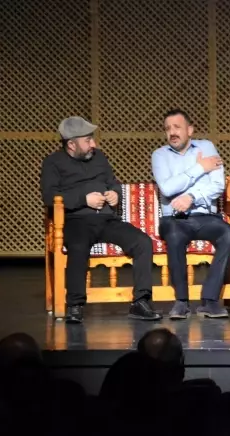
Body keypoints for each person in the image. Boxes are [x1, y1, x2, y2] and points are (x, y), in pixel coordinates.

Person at [41, 116, 162, 323]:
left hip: (106, 220)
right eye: (88, 140)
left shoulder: (99, 158)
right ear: (71, 144)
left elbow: (112, 183)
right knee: (78, 246)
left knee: (142, 242)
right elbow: (49, 196)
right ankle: (75, 305)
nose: (93, 144)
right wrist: (83, 199)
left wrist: (115, 194)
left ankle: (141, 302)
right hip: (76, 221)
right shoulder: (53, 163)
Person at [152, 109, 230, 320]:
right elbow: (167, 188)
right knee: (173, 235)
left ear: (190, 130)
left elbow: (217, 185)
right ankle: (181, 301)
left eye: (177, 127)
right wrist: (199, 168)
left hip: (205, 216)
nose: (172, 132)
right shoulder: (159, 155)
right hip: (174, 219)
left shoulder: (207, 147)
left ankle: (210, 300)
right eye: (168, 128)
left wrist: (191, 196)